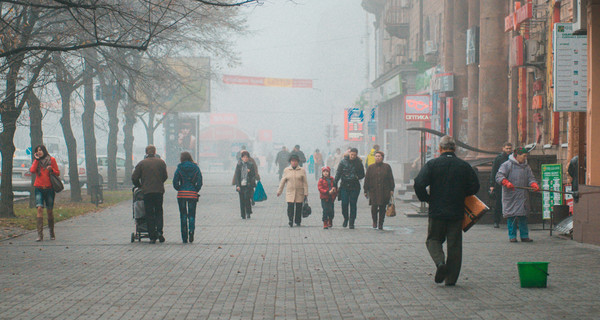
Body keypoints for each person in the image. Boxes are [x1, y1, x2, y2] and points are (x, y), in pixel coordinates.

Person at [414, 136, 480, 286]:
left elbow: (419, 183)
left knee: (433, 239)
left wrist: (427, 198)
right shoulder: (463, 166)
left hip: (437, 210)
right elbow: (475, 186)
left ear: (440, 149)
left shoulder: (432, 164)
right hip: (457, 211)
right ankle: (451, 280)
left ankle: (439, 262)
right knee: (454, 245)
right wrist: (463, 194)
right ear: (455, 149)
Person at [495, 146, 539, 243]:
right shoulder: (507, 165)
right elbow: (499, 176)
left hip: (522, 195)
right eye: (524, 156)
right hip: (511, 195)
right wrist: (506, 182)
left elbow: (530, 178)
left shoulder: (526, 167)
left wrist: (533, 184)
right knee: (512, 216)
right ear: (517, 155)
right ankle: (512, 236)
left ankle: (524, 236)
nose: (525, 158)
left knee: (523, 216)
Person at [132, 145, 168, 244]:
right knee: (159, 212)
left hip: (147, 192)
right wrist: (159, 182)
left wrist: (140, 186)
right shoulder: (161, 162)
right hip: (159, 191)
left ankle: (152, 235)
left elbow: (134, 177)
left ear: (146, 152)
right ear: (155, 151)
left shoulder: (142, 163)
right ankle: (160, 231)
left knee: (149, 213)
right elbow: (165, 176)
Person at [29, 145, 60, 241]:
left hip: (49, 189)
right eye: (38, 150)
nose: (39, 152)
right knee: (39, 208)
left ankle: (51, 232)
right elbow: (32, 170)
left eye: (41, 150)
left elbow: (57, 172)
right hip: (39, 188)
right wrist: (36, 160)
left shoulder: (51, 160)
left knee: (49, 211)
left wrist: (52, 170)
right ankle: (40, 234)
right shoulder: (37, 161)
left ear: (44, 151)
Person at [173, 152, 203, 244]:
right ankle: (191, 231)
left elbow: (175, 181)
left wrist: (179, 188)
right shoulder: (196, 168)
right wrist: (195, 190)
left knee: (183, 215)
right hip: (192, 194)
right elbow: (200, 181)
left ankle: (184, 236)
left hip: (182, 194)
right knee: (191, 214)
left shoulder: (179, 168)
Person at [333, 147, 365, 229]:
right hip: (344, 185)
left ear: (356, 155)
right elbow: (338, 173)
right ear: (349, 153)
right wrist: (335, 184)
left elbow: (362, 174)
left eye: (354, 155)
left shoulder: (358, 163)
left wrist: (357, 176)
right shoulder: (343, 162)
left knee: (353, 204)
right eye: (351, 154)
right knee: (344, 203)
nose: (352, 156)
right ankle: (345, 218)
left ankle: (352, 221)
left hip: (355, 186)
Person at [363, 151, 395, 230]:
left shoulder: (387, 167)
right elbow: (367, 179)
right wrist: (365, 190)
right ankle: (374, 221)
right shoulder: (371, 167)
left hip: (384, 191)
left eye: (379, 156)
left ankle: (381, 223)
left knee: (382, 207)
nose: (377, 158)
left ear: (382, 158)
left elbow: (391, 178)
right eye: (376, 156)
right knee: (374, 207)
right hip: (373, 190)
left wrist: (391, 189)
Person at [277, 154, 309, 227]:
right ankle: (290, 220)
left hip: (299, 192)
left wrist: (306, 192)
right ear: (290, 162)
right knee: (290, 207)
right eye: (292, 161)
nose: (294, 163)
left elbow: (305, 182)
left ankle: (298, 221)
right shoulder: (286, 170)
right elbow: (283, 181)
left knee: (299, 207)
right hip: (290, 192)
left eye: (295, 161)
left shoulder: (302, 170)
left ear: (298, 162)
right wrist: (279, 191)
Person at [489, 142, 513, 228]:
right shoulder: (498, 158)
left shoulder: (513, 158)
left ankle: (512, 221)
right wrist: (492, 185)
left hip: (511, 183)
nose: (508, 150)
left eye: (510, 148)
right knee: (498, 203)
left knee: (511, 203)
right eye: (507, 148)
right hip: (500, 183)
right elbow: (494, 171)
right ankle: (496, 221)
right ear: (503, 148)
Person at [234, 151, 256, 219]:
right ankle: (243, 214)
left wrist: (250, 172)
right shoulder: (239, 165)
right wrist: (237, 185)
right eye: (244, 157)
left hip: (248, 185)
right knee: (242, 200)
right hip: (241, 185)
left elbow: (253, 175)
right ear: (241, 158)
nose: (245, 158)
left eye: (246, 157)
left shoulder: (250, 165)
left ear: (248, 158)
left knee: (247, 199)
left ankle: (248, 212)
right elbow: (237, 176)